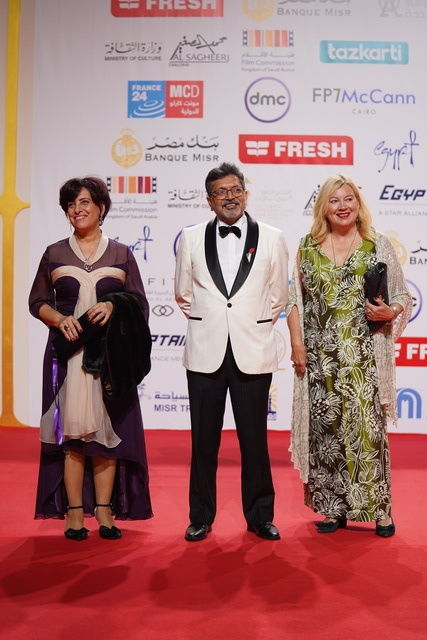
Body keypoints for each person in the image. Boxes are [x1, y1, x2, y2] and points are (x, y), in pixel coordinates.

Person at [286, 174, 411, 537]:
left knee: (367, 434)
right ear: (323, 207)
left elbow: (402, 295)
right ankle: (332, 509)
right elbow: (294, 301)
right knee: (326, 435)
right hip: (319, 360)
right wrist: (297, 344)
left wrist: (390, 312)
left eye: (349, 199)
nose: (343, 206)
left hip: (362, 360)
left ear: (358, 203)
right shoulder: (307, 246)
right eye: (334, 200)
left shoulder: (376, 244)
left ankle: (381, 512)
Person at [29, 176, 152, 540]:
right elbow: (37, 302)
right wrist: (59, 318)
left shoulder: (121, 253)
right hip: (66, 357)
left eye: (84, 202)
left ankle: (105, 511)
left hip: (110, 359)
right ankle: (73, 512)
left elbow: (139, 303)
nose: (77, 210)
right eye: (70, 205)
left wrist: (114, 306)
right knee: (71, 435)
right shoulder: (54, 253)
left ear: (101, 207)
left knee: (107, 434)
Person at [175, 162, 289, 541]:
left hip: (252, 351)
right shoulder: (190, 237)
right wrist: (213, 321)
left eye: (236, 189)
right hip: (205, 351)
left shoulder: (272, 237)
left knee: (254, 442)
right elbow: (183, 294)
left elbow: (279, 295)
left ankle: (260, 516)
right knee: (203, 443)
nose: (230, 197)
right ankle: (200, 516)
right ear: (209, 200)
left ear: (246, 193)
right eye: (221, 192)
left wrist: (247, 322)